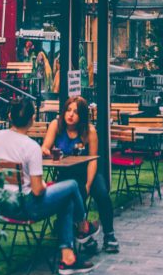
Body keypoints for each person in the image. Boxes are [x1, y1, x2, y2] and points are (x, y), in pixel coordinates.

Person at [0, 99, 98, 275]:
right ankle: (83, 225)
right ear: (32, 119)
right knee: (71, 186)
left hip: (0, 204)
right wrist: (45, 184)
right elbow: (38, 190)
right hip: (25, 207)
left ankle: (68, 257)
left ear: (10, 116)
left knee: (66, 199)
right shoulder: (31, 147)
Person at [41, 96, 119, 254]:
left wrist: (89, 184)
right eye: (68, 110)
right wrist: (46, 151)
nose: (70, 115)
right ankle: (84, 234)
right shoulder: (56, 125)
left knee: (102, 194)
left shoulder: (89, 131)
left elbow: (93, 160)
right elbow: (45, 147)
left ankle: (109, 235)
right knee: (70, 197)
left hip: (87, 171)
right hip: (67, 172)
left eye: (75, 112)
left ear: (82, 115)